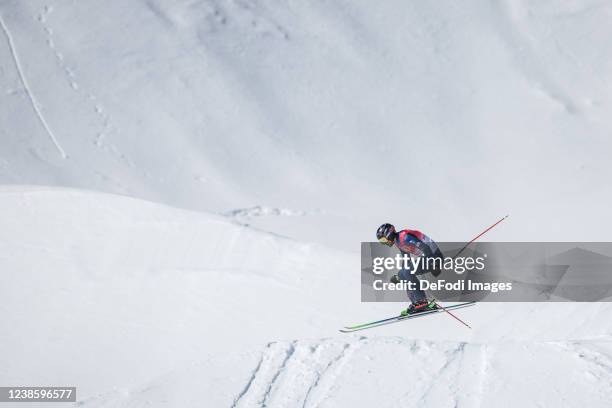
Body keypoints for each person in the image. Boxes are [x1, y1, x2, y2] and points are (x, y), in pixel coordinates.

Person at [376, 223, 445, 316]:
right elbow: (406, 260)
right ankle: (416, 303)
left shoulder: (405, 237)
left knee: (408, 270)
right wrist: (400, 276)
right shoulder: (398, 242)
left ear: (389, 234)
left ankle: (422, 302)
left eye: (383, 239)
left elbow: (425, 247)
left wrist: (434, 264)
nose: (384, 243)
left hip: (434, 257)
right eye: (381, 241)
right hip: (427, 258)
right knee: (402, 273)